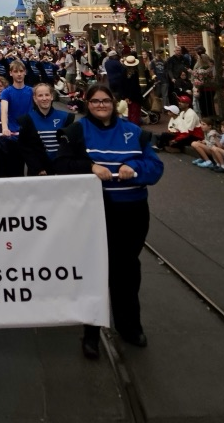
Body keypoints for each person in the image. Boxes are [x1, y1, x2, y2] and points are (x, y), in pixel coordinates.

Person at [55, 83, 163, 359]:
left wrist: (134, 168)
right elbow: (62, 164)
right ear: (87, 104)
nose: (100, 105)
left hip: (132, 211)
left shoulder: (134, 132)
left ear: (113, 103)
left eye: (105, 101)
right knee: (94, 271)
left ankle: (130, 326)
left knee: (127, 269)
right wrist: (89, 167)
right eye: (95, 101)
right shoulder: (79, 131)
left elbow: (155, 167)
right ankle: (91, 332)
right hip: (95, 212)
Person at [18, 82, 75, 176]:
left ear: (52, 96)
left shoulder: (66, 117)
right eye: (40, 96)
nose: (44, 98)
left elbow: (69, 146)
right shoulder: (27, 120)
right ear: (35, 99)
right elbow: (25, 148)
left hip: (60, 169)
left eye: (47, 95)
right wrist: (38, 168)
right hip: (39, 171)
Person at [0, 63, 33, 176]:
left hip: (30, 137)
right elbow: (4, 111)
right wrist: (4, 127)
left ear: (25, 72)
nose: (19, 74)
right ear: (11, 73)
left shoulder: (32, 91)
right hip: (13, 137)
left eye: (21, 71)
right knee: (15, 172)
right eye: (16, 71)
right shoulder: (6, 92)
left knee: (35, 172)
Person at [121, 56, 142, 125]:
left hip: (128, 96)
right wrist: (129, 97)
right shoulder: (135, 73)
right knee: (135, 113)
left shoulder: (124, 72)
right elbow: (134, 86)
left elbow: (124, 85)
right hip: (134, 96)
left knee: (130, 113)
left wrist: (125, 96)